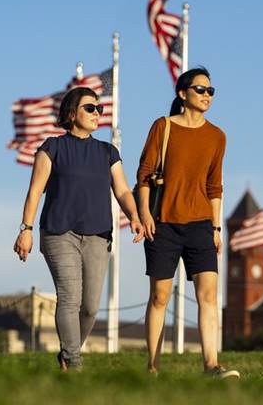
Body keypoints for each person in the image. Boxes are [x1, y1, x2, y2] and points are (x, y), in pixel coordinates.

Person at [13, 86, 144, 371]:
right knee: (69, 297)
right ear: (72, 114)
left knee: (90, 307)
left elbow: (122, 191)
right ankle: (74, 363)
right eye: (90, 108)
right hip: (59, 232)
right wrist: (26, 229)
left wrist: (134, 214)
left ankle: (67, 353)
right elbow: (35, 191)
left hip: (98, 235)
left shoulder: (108, 151)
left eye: (100, 109)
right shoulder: (53, 147)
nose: (98, 113)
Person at [136, 67, 238, 379]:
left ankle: (211, 366)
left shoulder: (217, 136)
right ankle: (153, 368)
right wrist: (144, 215)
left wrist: (217, 228)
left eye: (210, 91)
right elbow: (144, 174)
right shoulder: (163, 126)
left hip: (201, 226)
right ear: (183, 94)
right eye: (200, 89)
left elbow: (214, 187)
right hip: (163, 223)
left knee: (208, 296)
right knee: (160, 297)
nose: (207, 95)